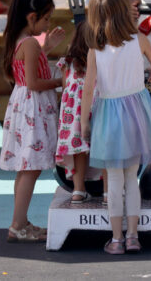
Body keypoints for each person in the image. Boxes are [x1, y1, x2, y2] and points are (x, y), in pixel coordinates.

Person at [80, 0, 151, 255]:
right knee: (132, 178)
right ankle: (133, 236)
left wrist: (84, 122)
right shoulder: (139, 41)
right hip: (137, 114)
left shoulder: (95, 49)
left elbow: (89, 88)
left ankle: (116, 239)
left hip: (108, 117)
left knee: (114, 180)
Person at [0, 0, 66, 243]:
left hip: (25, 104)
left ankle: (21, 222)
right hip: (33, 106)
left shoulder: (24, 41)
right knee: (30, 169)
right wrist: (63, 81)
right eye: (46, 19)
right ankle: (17, 224)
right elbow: (35, 82)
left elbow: (29, 72)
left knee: (26, 168)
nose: (48, 24)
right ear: (31, 17)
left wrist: (46, 47)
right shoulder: (29, 44)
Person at [55, 22, 95, 203]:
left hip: (71, 115)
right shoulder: (98, 60)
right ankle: (109, 192)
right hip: (95, 108)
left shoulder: (67, 63)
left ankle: (78, 190)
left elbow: (65, 88)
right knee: (101, 149)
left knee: (78, 150)